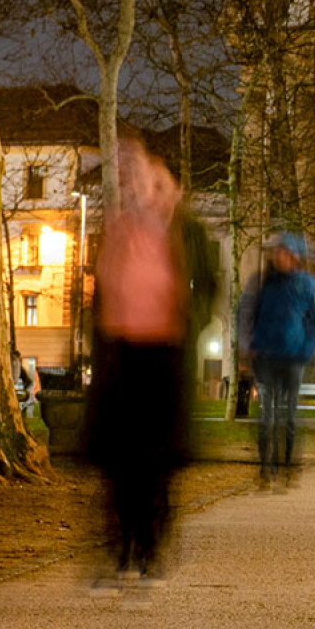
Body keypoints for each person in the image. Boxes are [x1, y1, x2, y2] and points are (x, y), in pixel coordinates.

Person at [84, 137, 192, 594]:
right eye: (123, 177)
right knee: (118, 465)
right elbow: (100, 299)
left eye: (140, 178)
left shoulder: (180, 233)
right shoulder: (117, 231)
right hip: (120, 358)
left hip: (161, 359)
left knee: (152, 464)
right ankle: (121, 550)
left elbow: (200, 294)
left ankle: (148, 549)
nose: (131, 186)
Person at [237, 233, 315, 489]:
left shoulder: (308, 286)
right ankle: (266, 468)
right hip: (265, 356)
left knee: (289, 415)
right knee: (267, 414)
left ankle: (288, 465)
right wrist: (248, 345)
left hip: (294, 358)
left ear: (297, 258)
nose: (281, 257)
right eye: (278, 253)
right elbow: (244, 313)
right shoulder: (261, 283)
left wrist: (308, 348)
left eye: (286, 253)